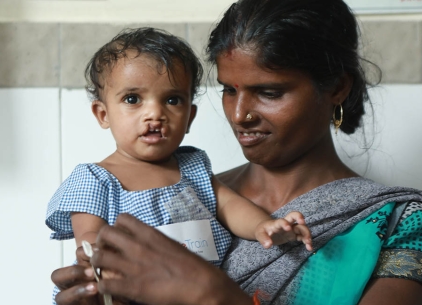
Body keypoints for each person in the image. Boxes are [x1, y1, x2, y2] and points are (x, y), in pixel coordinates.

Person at [50, 1, 422, 304]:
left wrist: (212, 295)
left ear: (337, 88)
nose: (239, 114)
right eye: (229, 90)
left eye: (269, 91)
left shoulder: (400, 222)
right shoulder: (195, 193)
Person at [46, 26, 313, 299]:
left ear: (190, 117)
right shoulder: (95, 179)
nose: (155, 113)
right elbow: (90, 239)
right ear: (103, 114)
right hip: (130, 293)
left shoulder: (192, 168)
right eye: (132, 99)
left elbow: (230, 206)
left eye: (172, 100)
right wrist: (103, 268)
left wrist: (264, 226)